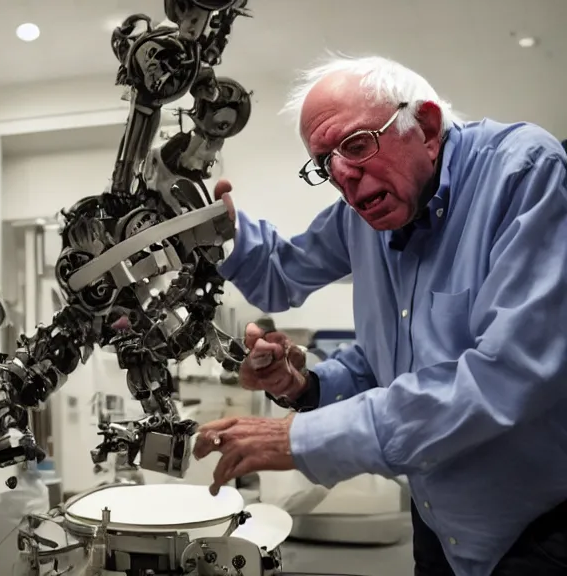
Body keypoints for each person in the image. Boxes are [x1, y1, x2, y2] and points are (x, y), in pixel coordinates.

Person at [192, 54, 567, 576]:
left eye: (356, 144)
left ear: (427, 127)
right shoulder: (363, 213)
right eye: (325, 163)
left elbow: (505, 378)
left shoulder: (525, 171)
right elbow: (280, 275)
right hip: (437, 520)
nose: (343, 176)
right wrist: (305, 385)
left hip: (536, 528)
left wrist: (297, 439)